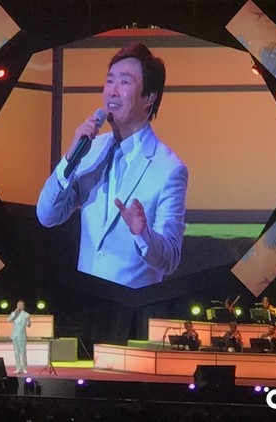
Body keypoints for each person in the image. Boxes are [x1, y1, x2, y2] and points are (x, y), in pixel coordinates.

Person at [36, 43, 188, 289]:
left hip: (132, 305)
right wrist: (71, 157)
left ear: (149, 97)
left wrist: (142, 233)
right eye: (109, 81)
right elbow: (47, 216)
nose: (112, 91)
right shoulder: (91, 149)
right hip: (86, 299)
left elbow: (170, 259)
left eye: (124, 82)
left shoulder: (169, 169)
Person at [8, 300, 31, 374]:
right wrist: (14, 313)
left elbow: (28, 325)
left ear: (23, 306)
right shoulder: (14, 314)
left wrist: (28, 321)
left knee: (23, 352)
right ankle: (18, 368)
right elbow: (8, 320)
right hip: (14, 336)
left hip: (22, 336)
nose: (19, 306)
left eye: (21, 305)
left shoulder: (26, 314)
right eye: (18, 304)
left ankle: (25, 368)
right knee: (16, 353)